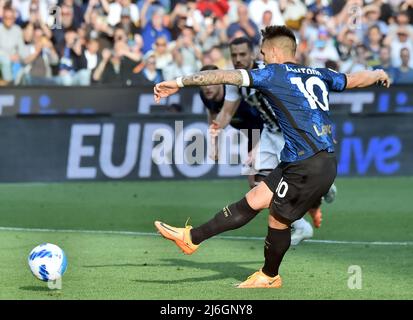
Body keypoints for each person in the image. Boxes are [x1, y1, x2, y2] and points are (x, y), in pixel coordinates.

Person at [153, 25, 390, 288]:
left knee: (277, 219)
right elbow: (354, 79)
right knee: (255, 198)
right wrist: (378, 72)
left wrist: (177, 82)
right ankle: (192, 238)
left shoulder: (273, 73)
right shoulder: (318, 73)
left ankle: (269, 275)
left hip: (307, 163)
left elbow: (222, 75)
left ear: (275, 52)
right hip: (305, 159)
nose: (262, 58)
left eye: (264, 53)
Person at [211, 36, 333, 245]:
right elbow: (226, 113)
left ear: (253, 54)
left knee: (290, 180)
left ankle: (323, 190)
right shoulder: (237, 81)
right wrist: (216, 129)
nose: (238, 59)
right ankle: (301, 224)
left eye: (242, 54)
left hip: (292, 134)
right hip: (269, 132)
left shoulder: (269, 71)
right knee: (257, 184)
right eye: (234, 55)